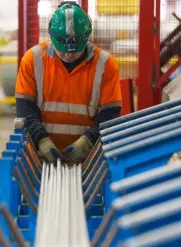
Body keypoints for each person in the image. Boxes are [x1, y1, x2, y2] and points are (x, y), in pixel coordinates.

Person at [15, 1, 122, 163]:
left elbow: (110, 113)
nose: (68, 55)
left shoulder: (105, 64)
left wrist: (87, 141)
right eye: (62, 50)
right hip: (40, 158)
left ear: (87, 37)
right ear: (51, 36)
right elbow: (25, 108)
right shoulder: (33, 59)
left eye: (75, 51)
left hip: (89, 160)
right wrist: (41, 140)